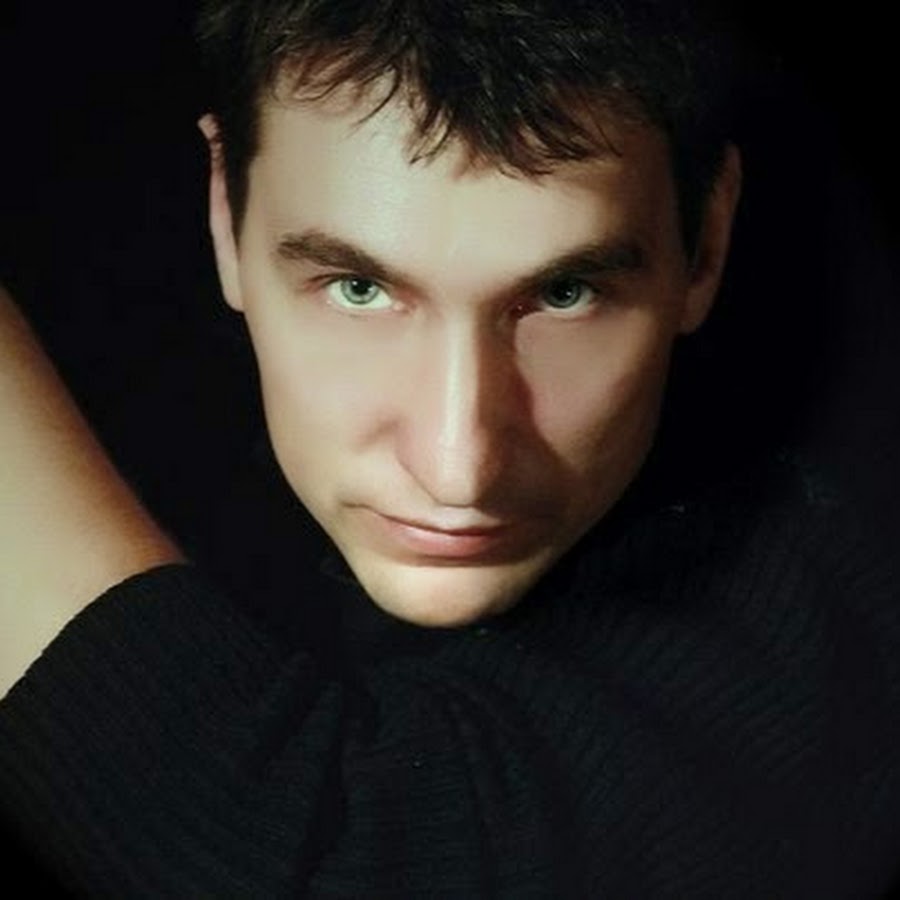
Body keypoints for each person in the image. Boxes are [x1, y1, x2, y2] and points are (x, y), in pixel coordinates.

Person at [1, 0, 899, 896]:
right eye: (356, 289)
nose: (457, 467)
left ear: (706, 243)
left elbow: (319, 854)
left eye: (567, 294)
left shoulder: (840, 556)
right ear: (223, 209)